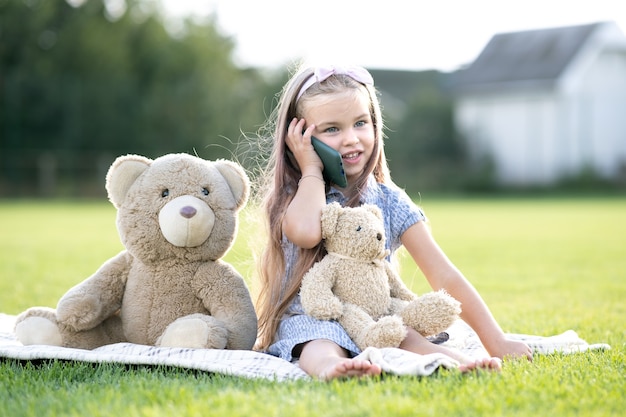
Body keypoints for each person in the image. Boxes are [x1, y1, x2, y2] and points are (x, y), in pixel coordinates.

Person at [253, 64, 533, 380]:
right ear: (299, 136)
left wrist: (496, 341)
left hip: (377, 319)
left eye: (360, 123)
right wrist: (311, 170)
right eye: (332, 129)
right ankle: (333, 368)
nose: (351, 139)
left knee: (406, 336)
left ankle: (454, 362)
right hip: (317, 318)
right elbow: (306, 233)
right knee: (318, 341)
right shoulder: (297, 194)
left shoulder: (389, 201)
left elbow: (443, 273)